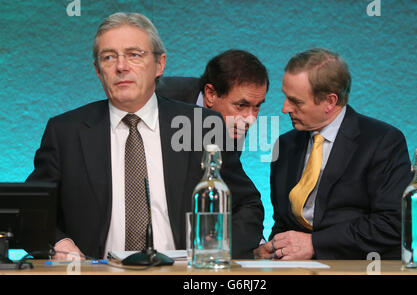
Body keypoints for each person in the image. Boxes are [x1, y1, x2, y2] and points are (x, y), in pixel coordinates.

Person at [26, 12, 263, 260]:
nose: (121, 66)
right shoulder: (65, 132)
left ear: (159, 65)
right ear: (98, 71)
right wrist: (58, 244)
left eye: (134, 55)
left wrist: (213, 254)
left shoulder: (201, 125)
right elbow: (31, 213)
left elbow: (247, 206)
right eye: (109, 57)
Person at [254, 48, 412, 260]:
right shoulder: (285, 145)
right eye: (285, 97)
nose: (284, 108)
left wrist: (315, 244)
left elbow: (393, 223)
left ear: (330, 101)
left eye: (296, 101)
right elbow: (283, 223)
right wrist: (274, 248)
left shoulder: (382, 142)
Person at [156, 49, 269, 142]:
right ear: (211, 94)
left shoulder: (236, 125)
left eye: (257, 106)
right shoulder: (158, 96)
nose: (250, 119)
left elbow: (226, 167)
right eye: (241, 105)